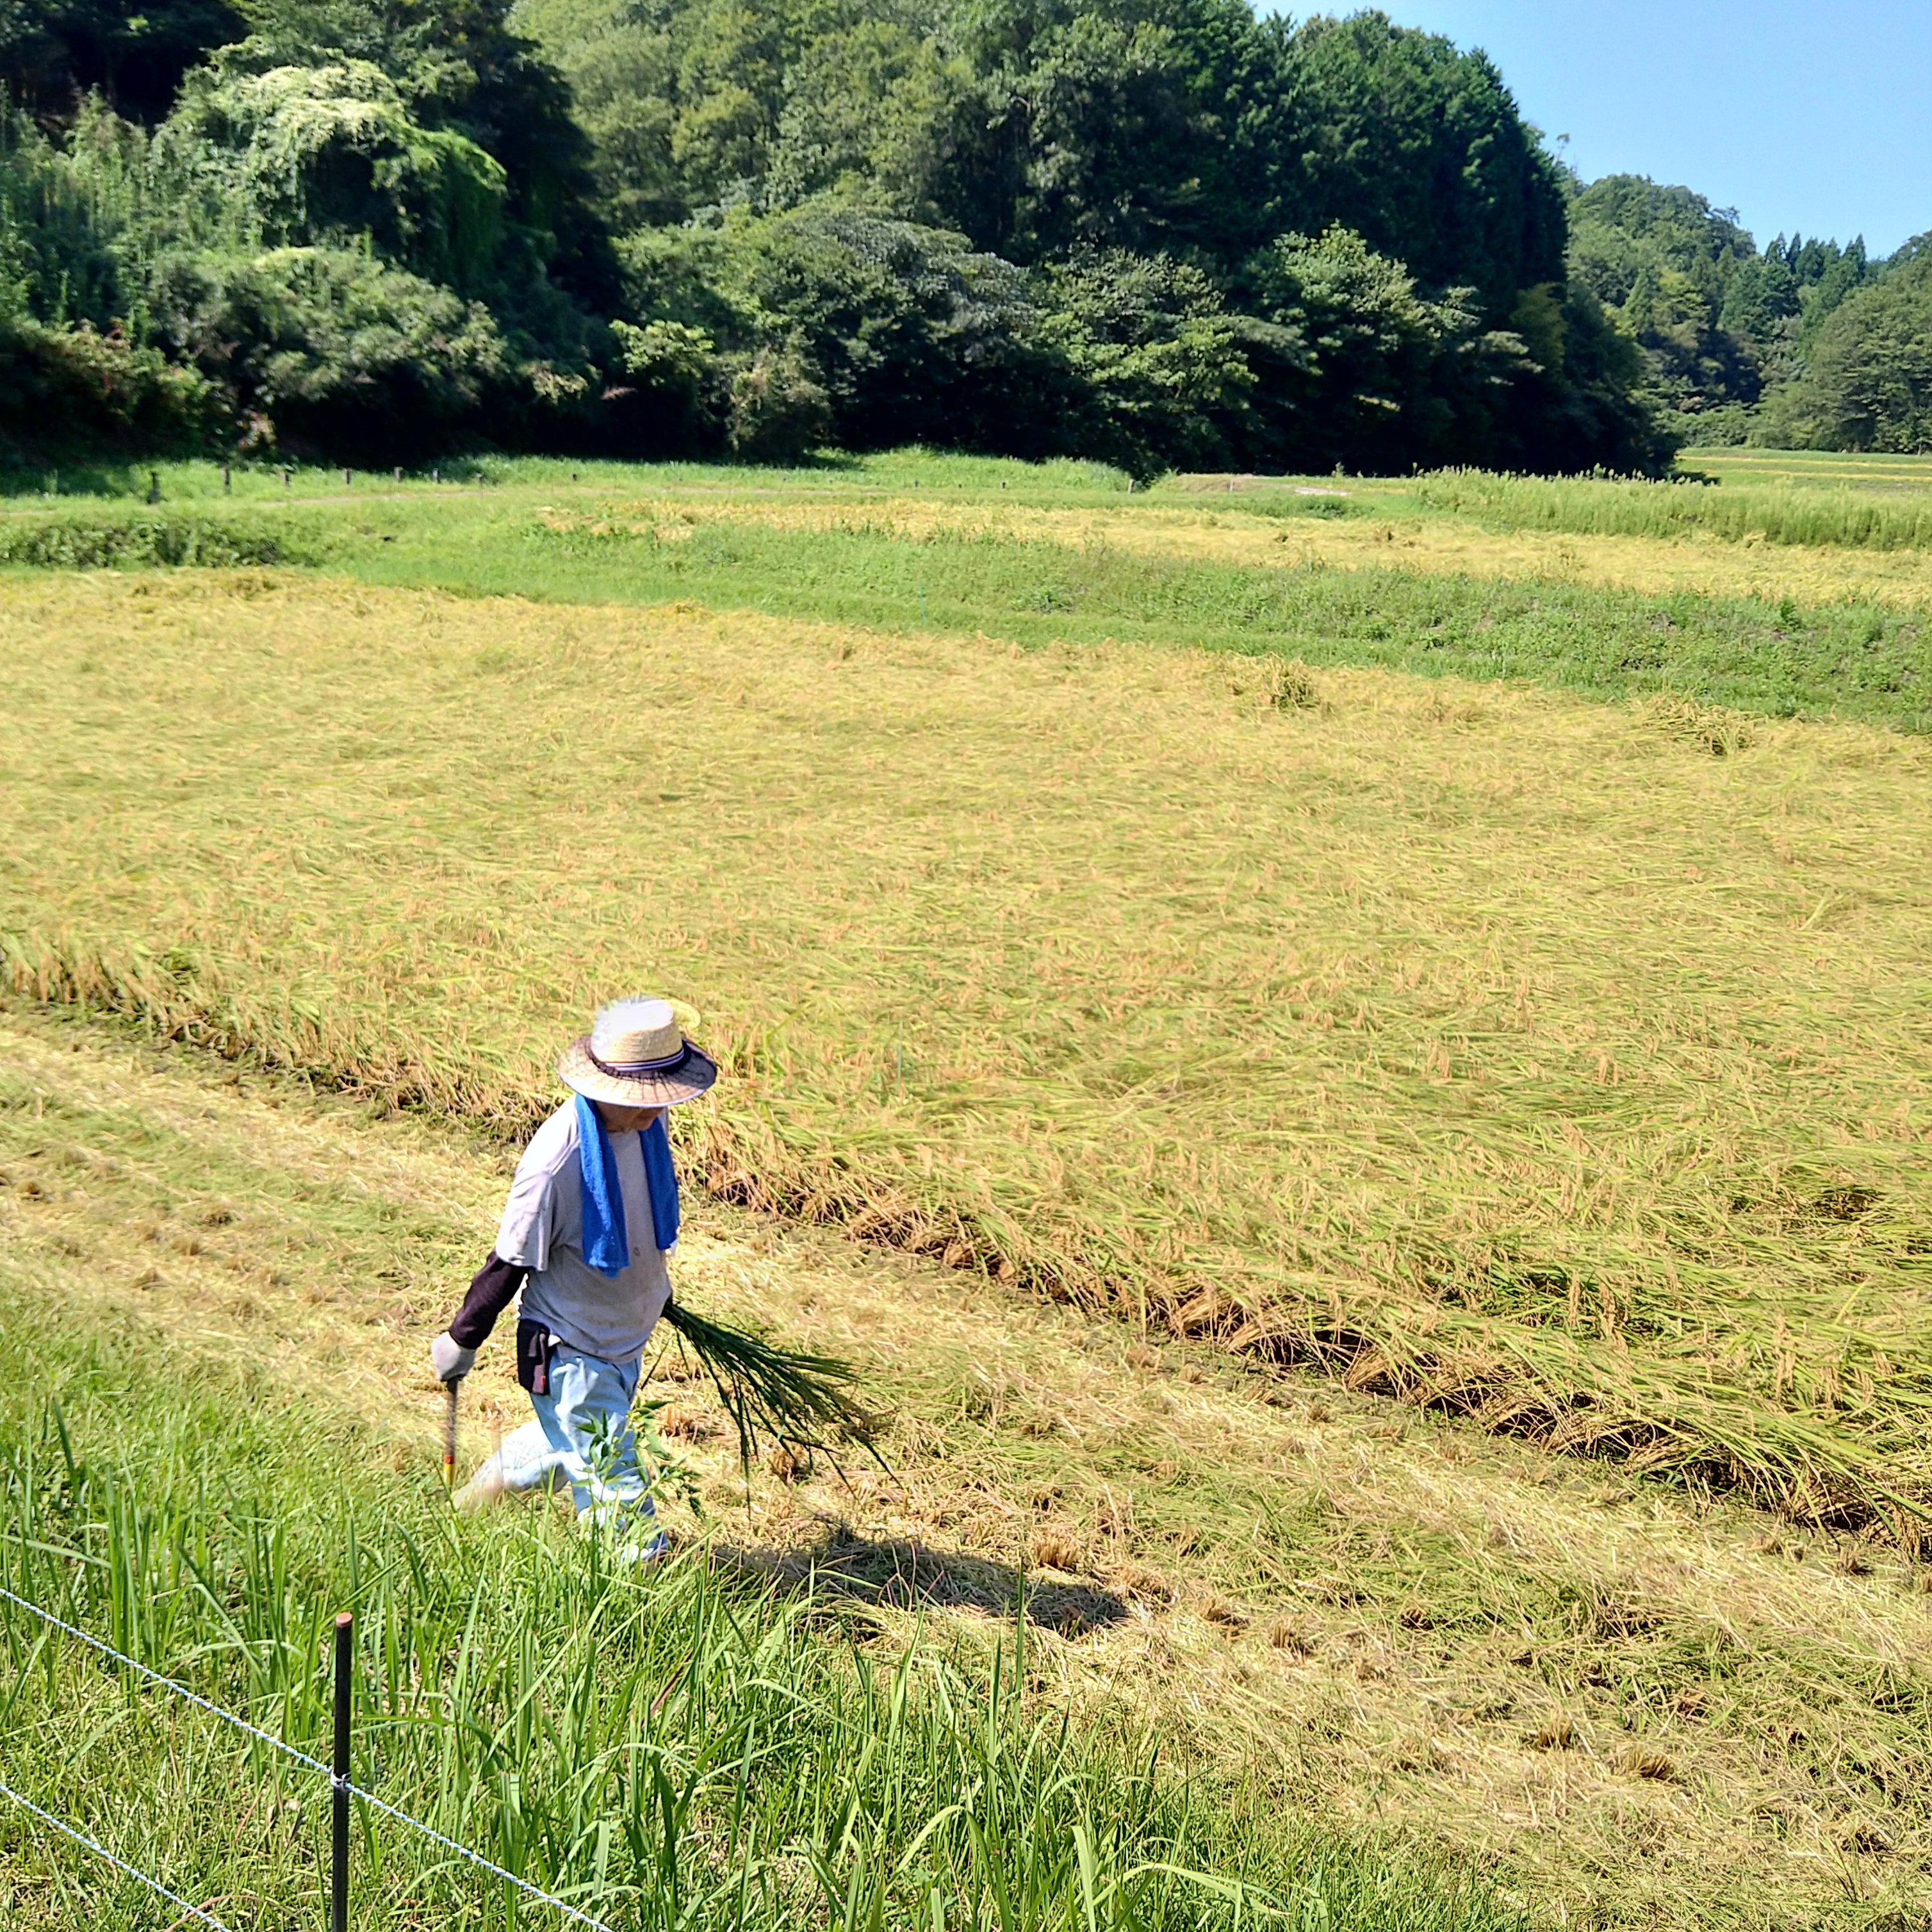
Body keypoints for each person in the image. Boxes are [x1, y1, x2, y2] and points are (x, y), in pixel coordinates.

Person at [429, 996, 716, 1560]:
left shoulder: (639, 1130)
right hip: (573, 1347)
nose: (656, 1112)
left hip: (619, 1340)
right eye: (644, 1100)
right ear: (608, 1087)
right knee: (617, 1494)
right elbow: (510, 1260)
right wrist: (462, 1338)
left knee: (565, 1441)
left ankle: (468, 1507)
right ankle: (640, 1598)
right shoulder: (556, 1163)